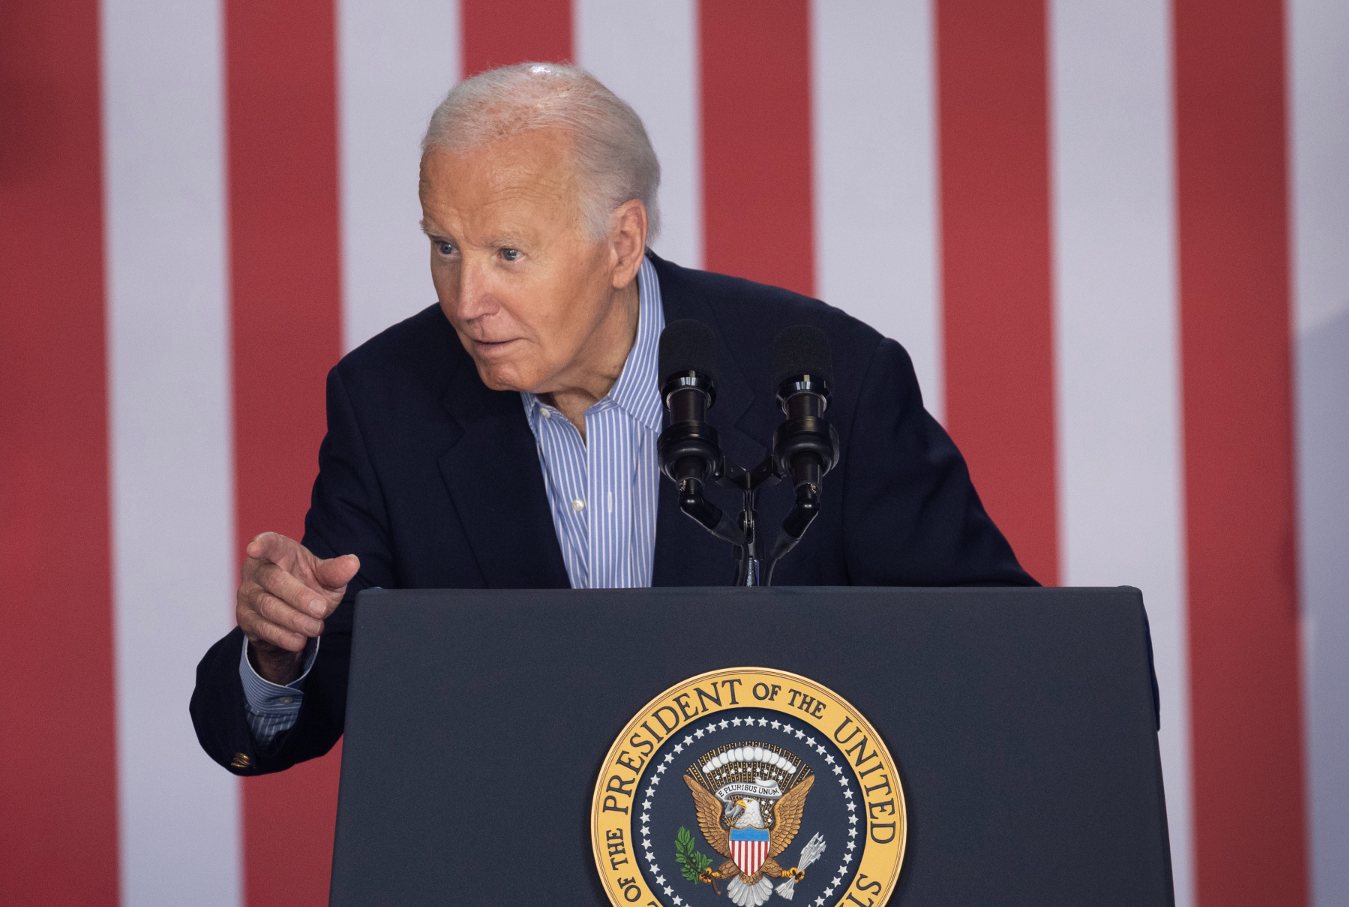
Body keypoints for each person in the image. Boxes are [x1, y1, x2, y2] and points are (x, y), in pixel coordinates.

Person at [191, 62, 1034, 775]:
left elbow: (1001, 654)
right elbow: (303, 706)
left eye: (507, 253)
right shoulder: (387, 402)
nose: (466, 299)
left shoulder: (825, 381)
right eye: (445, 245)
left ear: (622, 244)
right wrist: (280, 648)